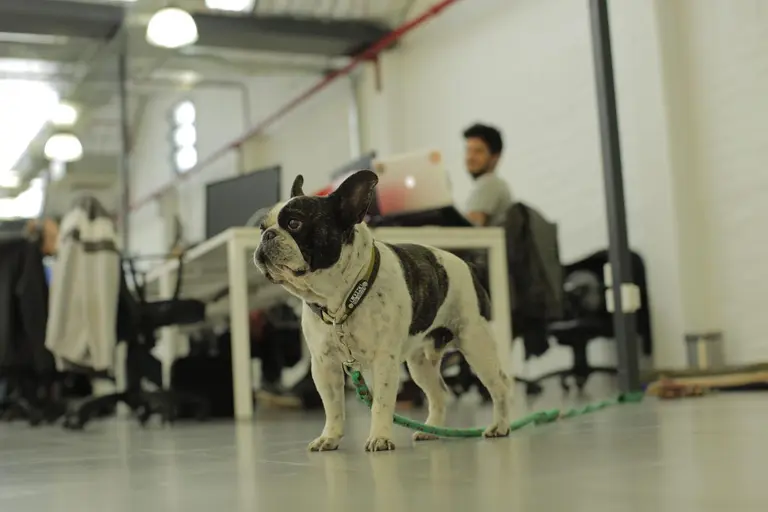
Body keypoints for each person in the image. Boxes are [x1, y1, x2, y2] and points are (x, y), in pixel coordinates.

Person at [463, 123, 513, 226]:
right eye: (468, 150)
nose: (470, 157)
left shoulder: (489, 182)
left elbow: (468, 232)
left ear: (495, 157)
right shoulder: (496, 185)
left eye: (478, 151)